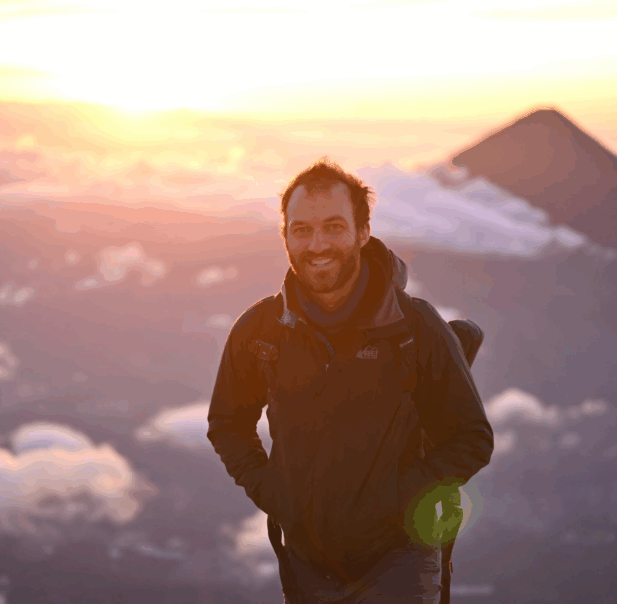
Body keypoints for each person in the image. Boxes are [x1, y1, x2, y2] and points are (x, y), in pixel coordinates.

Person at [207, 160, 494, 602]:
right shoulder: (261, 330)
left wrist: (400, 500)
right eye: (301, 230)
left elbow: (471, 438)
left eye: (334, 227)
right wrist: (274, 493)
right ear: (284, 236)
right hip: (306, 565)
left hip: (399, 558)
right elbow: (227, 422)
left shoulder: (414, 326)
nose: (317, 244)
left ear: (363, 232)